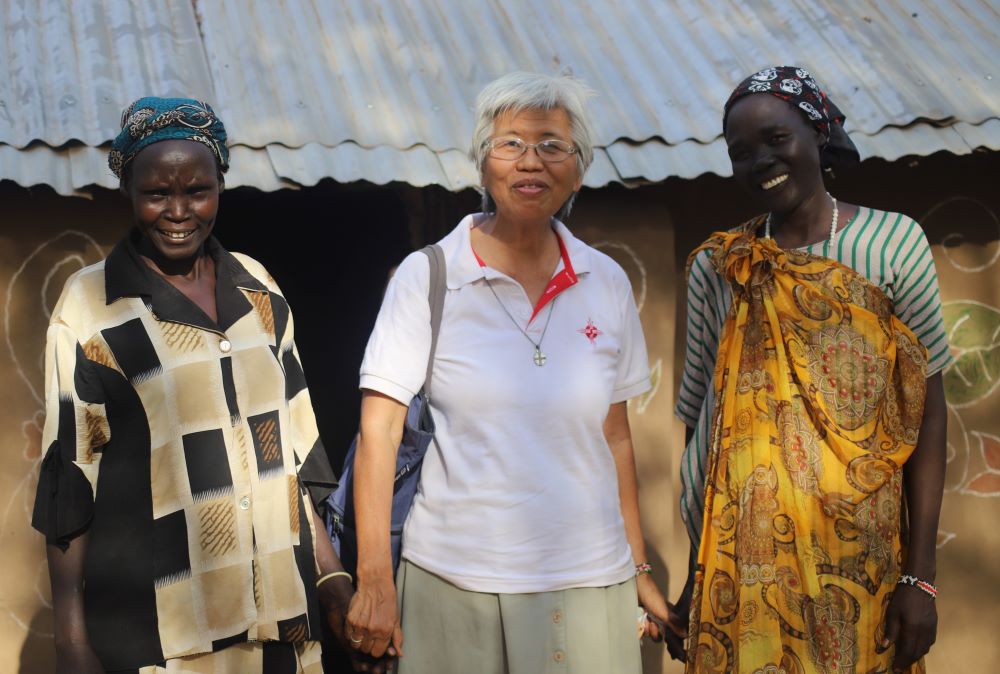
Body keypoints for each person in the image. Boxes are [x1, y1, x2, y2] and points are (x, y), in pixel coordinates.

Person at [345, 71, 683, 674]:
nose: (531, 162)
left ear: (578, 170)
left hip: (589, 582)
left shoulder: (604, 281)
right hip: (454, 583)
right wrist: (375, 582)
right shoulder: (428, 277)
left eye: (552, 145)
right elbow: (380, 434)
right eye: (510, 144)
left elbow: (614, 436)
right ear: (483, 164)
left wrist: (637, 568)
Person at [33, 97, 355, 673]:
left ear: (220, 185)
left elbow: (296, 452)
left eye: (197, 191)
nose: (178, 211)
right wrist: (71, 640)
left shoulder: (258, 288)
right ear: (128, 190)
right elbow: (68, 481)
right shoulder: (89, 307)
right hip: (165, 637)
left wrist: (330, 580)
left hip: (281, 623)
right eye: (157, 193)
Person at [674, 66, 950, 673]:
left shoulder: (892, 244)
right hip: (743, 570)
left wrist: (921, 580)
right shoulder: (723, 267)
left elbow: (927, 416)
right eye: (741, 152)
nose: (760, 162)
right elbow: (704, 429)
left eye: (777, 139)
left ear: (818, 133)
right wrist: (700, 572)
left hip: (861, 564)